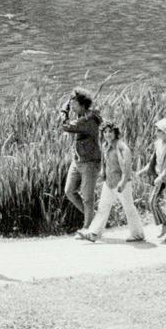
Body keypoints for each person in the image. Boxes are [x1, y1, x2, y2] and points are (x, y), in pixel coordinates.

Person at [79, 123, 145, 242]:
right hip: (109, 182)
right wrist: (103, 174)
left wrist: (123, 182)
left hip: (121, 182)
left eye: (110, 132)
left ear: (115, 132)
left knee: (129, 207)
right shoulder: (105, 145)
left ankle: (138, 234)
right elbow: (105, 163)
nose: (107, 134)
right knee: (102, 207)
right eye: (105, 132)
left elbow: (126, 166)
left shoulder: (121, 146)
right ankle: (94, 233)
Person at [60, 88, 103, 232]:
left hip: (90, 162)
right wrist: (69, 104)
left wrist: (63, 112)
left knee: (87, 198)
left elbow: (66, 126)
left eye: (74, 104)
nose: (72, 107)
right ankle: (96, 220)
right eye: (71, 104)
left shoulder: (89, 119)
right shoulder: (83, 116)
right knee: (69, 191)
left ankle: (88, 228)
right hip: (78, 161)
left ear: (83, 104)